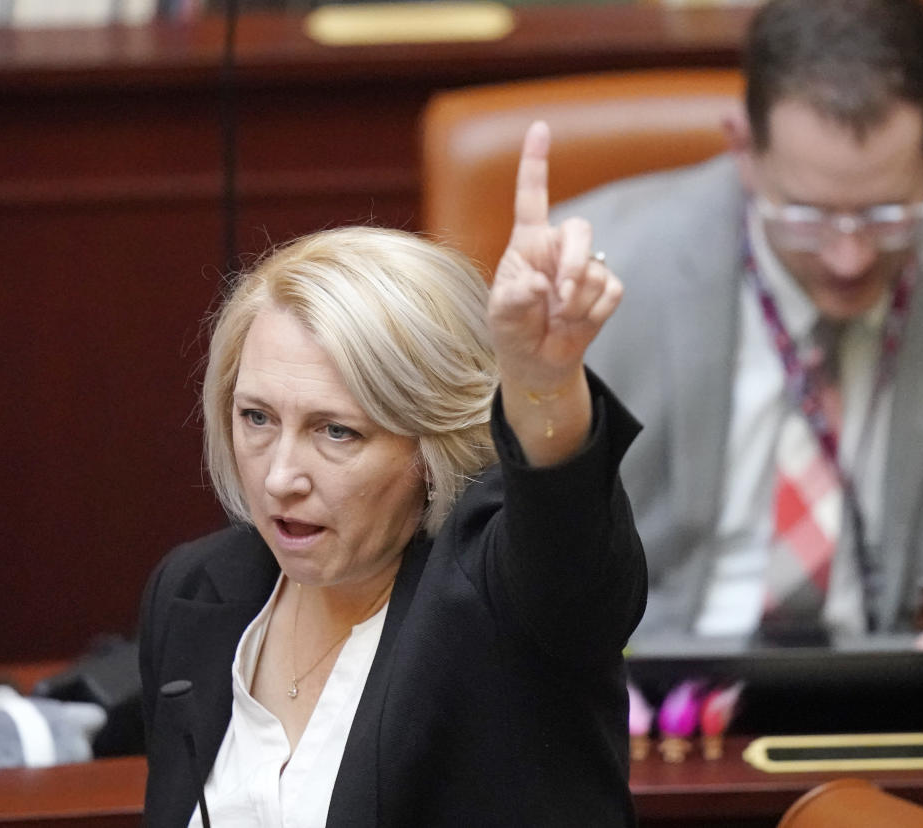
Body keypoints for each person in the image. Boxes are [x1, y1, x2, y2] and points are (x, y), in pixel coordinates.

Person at [139, 122, 647, 826]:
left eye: (336, 431)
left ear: (430, 445)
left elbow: (568, 553)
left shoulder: (496, 603)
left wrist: (542, 386)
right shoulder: (195, 596)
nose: (281, 476)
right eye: (257, 417)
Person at [556, 0, 923, 646]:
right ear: (744, 149)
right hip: (660, 692)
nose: (851, 259)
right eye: (809, 217)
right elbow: (507, 541)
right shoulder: (604, 269)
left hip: (915, 693)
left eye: (887, 215)